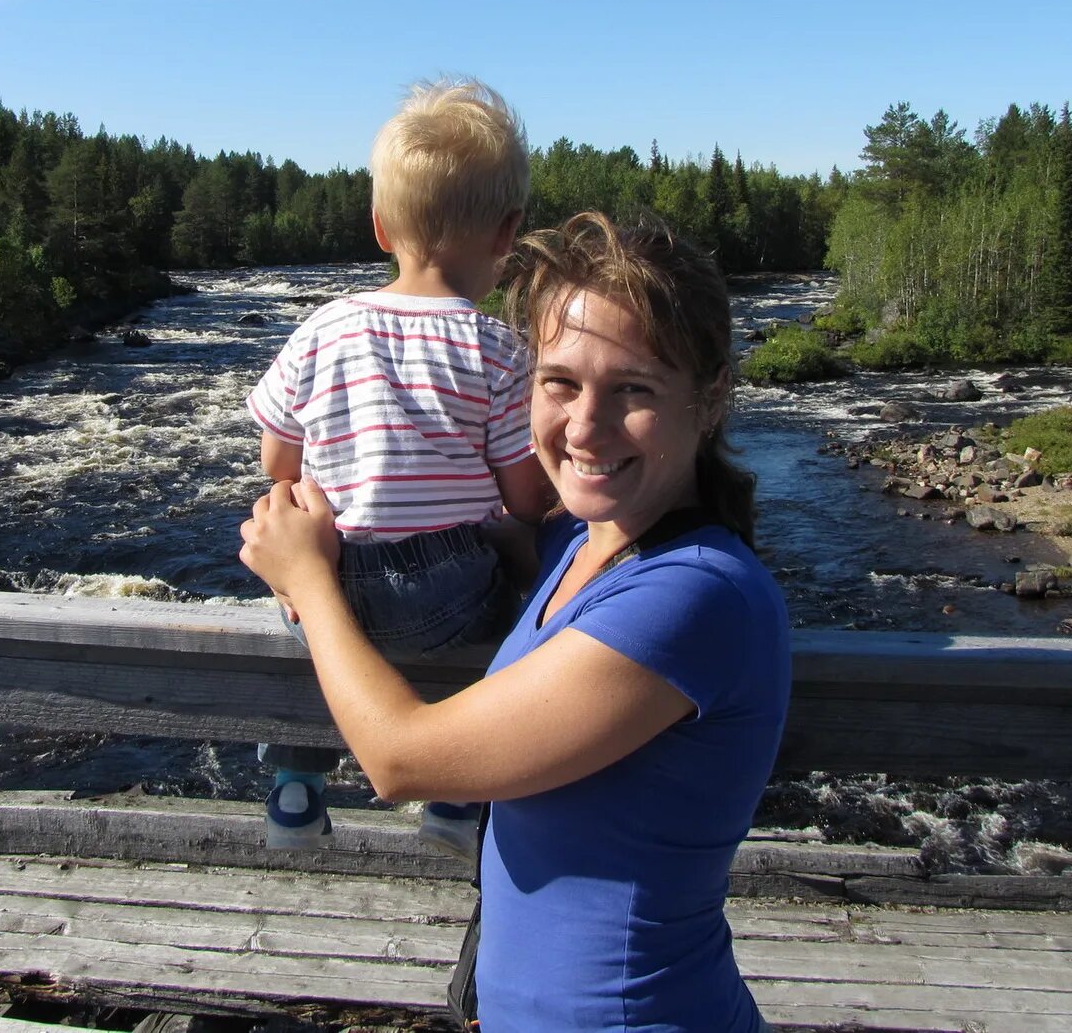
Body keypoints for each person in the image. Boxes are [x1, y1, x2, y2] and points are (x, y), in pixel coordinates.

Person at [241, 211, 791, 1030]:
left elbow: (400, 760)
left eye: (634, 389)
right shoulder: (580, 541)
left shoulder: (696, 596)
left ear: (709, 398)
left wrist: (311, 581)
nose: (585, 427)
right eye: (560, 381)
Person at [245, 78, 551, 853]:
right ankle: (457, 793)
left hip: (337, 571)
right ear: (506, 232)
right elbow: (523, 495)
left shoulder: (321, 329)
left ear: (382, 228)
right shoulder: (498, 349)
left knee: (315, 630)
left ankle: (294, 784)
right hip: (449, 579)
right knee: (518, 612)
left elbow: (278, 464)